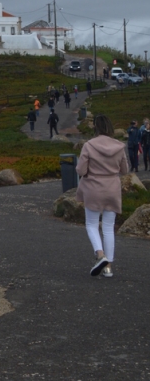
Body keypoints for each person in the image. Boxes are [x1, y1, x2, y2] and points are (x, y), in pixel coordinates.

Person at [76, 114, 126, 277]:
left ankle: (100, 255)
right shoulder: (119, 146)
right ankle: (108, 267)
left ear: (95, 127)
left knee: (91, 224)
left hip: (93, 189)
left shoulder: (89, 146)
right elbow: (124, 170)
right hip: (112, 188)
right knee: (108, 227)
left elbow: (81, 170)